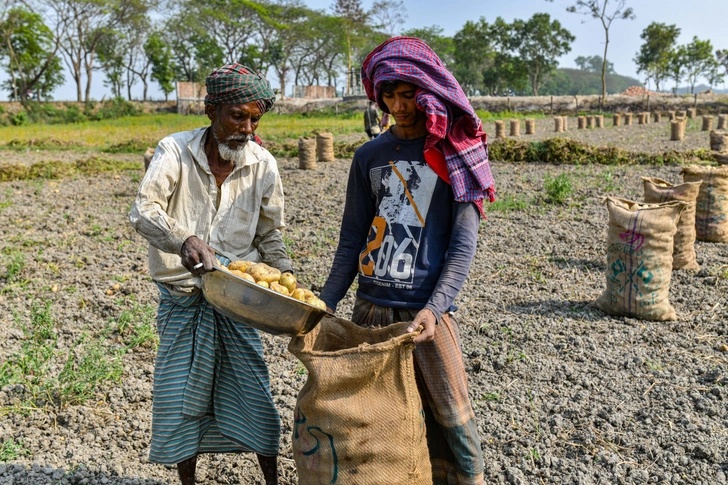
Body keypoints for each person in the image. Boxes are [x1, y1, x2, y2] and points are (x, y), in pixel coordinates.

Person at [319, 37, 495, 485]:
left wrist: (435, 309)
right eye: (389, 96)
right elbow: (350, 241)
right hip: (370, 310)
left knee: (450, 420)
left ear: (429, 92)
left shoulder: (457, 156)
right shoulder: (368, 157)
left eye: (407, 94)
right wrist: (322, 305)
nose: (398, 105)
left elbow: (463, 245)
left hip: (424, 315)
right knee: (378, 424)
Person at [128, 63, 291, 485]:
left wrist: (288, 280)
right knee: (182, 401)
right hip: (183, 301)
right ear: (211, 110)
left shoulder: (263, 164)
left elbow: (270, 234)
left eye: (255, 118)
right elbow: (144, 210)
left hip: (239, 304)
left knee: (255, 399)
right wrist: (183, 240)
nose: (247, 128)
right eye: (238, 116)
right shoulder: (175, 152)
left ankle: (271, 479)